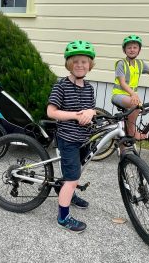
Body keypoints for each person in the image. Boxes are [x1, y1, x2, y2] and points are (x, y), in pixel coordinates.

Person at [47, 40, 96, 233]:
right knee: (73, 177)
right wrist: (76, 115)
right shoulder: (61, 86)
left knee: (76, 171)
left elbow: (90, 109)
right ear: (69, 64)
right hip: (68, 138)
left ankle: (68, 192)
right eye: (75, 61)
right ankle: (63, 216)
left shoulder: (89, 87)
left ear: (89, 65)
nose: (80, 65)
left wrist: (91, 113)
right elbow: (51, 111)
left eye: (84, 61)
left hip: (84, 138)